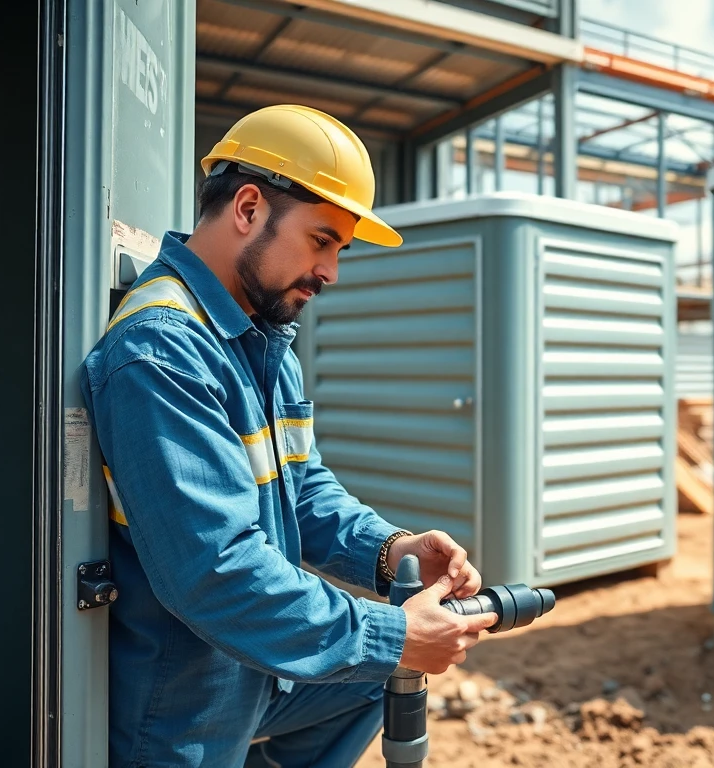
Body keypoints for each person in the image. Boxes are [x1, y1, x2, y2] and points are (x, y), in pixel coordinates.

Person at [79, 104, 498, 768]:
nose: (330, 272)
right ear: (248, 208)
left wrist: (391, 551)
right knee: (381, 656)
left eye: (339, 249)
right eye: (321, 240)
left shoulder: (263, 339)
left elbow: (301, 490)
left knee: (370, 679)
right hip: (178, 710)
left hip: (255, 670)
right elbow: (215, 573)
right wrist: (392, 634)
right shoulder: (162, 351)